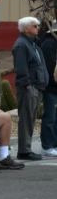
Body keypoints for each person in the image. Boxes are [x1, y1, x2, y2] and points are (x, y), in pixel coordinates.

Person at [12, 17, 49, 161]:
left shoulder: (33, 44)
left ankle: (26, 148)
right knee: (26, 119)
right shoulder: (21, 45)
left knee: (31, 119)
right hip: (29, 88)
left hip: (37, 87)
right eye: (35, 26)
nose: (38, 28)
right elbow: (21, 68)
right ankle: (24, 151)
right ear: (26, 29)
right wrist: (27, 86)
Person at [39, 21, 57, 157]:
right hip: (51, 87)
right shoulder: (49, 44)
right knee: (50, 117)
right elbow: (49, 67)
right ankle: (48, 145)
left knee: (54, 117)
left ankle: (53, 143)